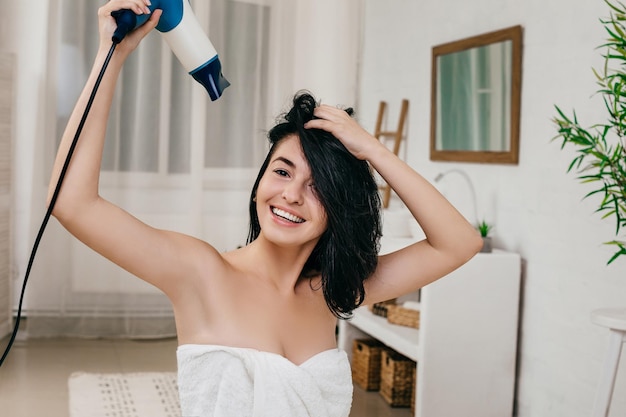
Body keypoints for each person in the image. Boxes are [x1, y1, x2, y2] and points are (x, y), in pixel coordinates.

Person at [48, 1, 483, 415]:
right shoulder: (201, 273)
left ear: (339, 208)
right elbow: (73, 203)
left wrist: (374, 151)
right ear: (260, 180)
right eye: (282, 171)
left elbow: (459, 243)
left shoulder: (334, 291)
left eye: (317, 187)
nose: (291, 195)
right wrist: (113, 53)